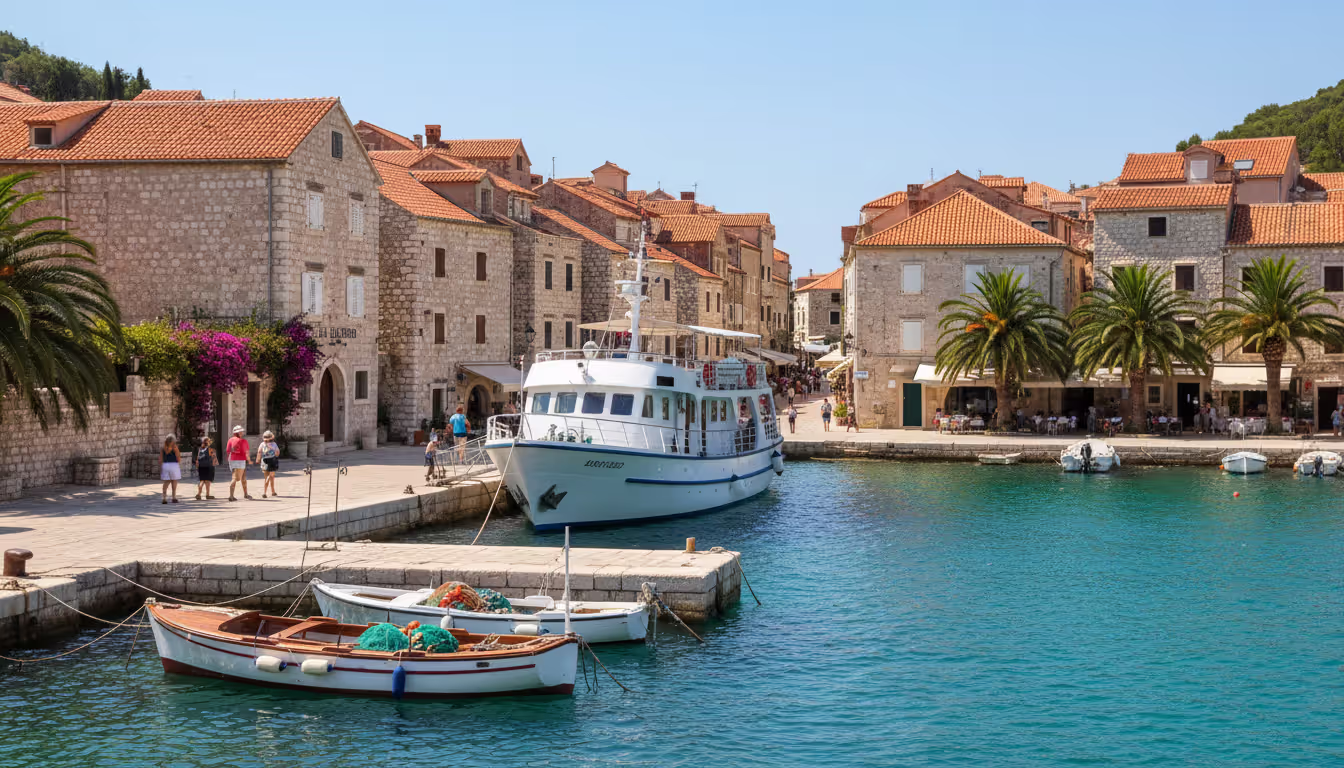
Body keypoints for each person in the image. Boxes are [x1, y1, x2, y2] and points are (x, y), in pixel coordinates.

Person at [226, 425, 253, 502]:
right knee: (236, 478)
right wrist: (249, 460)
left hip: (232, 460)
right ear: (237, 433)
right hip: (241, 461)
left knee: (241, 477)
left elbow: (228, 451)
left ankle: (245, 494)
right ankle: (232, 496)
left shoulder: (230, 440)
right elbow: (246, 452)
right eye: (240, 432)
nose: (242, 433)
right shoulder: (243, 441)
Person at [255, 430, 280, 498]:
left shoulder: (262, 444)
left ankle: (269, 492)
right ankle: (270, 492)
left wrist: (258, 459)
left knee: (266, 477)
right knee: (271, 476)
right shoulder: (274, 444)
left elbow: (259, 452)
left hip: (264, 461)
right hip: (272, 461)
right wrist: (275, 454)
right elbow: (277, 453)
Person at [160, 435, 182, 504]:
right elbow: (178, 458)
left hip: (165, 465)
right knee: (174, 480)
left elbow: (161, 459)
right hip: (173, 465)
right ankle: (174, 497)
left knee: (166, 481)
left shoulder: (163, 448)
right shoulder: (175, 447)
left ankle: (164, 497)